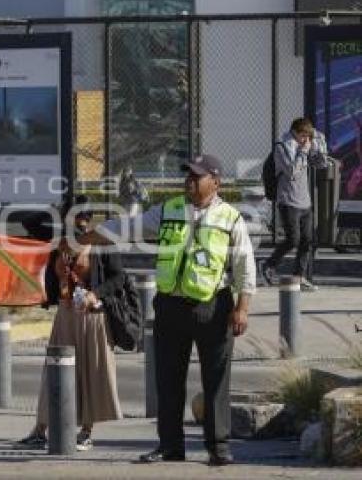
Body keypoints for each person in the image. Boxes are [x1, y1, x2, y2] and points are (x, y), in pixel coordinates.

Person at [77, 154, 256, 466]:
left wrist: (242, 308)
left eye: (196, 176)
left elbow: (245, 268)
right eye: (188, 175)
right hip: (171, 306)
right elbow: (126, 226)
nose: (189, 181)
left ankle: (219, 448)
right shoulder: (168, 210)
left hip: (213, 307)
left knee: (216, 381)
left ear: (215, 182)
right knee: (168, 380)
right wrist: (84, 239)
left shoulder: (231, 218)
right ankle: (171, 445)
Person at [15, 196, 123, 451]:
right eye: (74, 220)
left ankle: (86, 431)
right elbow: (28, 222)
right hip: (66, 314)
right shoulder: (59, 240)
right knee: (52, 373)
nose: (80, 227)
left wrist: (95, 294)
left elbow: (118, 278)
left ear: (89, 220)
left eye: (83, 220)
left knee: (92, 373)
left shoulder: (102, 241)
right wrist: (56, 212)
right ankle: (40, 429)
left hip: (93, 317)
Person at [259, 117, 328, 291]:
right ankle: (268, 265)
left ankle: (300, 276)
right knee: (293, 239)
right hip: (288, 200)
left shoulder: (305, 144)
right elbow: (291, 172)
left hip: (305, 201)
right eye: (303, 136)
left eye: (308, 136)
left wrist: (320, 149)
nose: (306, 140)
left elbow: (320, 164)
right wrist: (303, 152)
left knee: (308, 241)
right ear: (295, 133)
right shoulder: (282, 146)